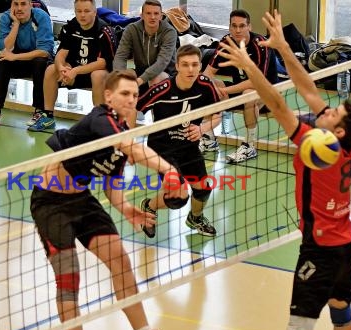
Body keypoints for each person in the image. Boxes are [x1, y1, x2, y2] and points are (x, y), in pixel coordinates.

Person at [218, 10, 351, 330]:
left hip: (319, 251)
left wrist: (248, 64)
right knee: (340, 310)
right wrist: (284, 48)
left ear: (337, 128)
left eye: (334, 112)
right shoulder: (338, 141)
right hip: (346, 244)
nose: (327, 109)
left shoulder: (318, 146)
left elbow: (279, 103)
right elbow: (306, 87)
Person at [30, 70, 186, 330]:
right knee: (68, 279)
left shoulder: (124, 134)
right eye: (125, 94)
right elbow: (131, 149)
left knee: (120, 261)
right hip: (50, 206)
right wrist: (169, 171)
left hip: (83, 201)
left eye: (134, 95)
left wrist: (126, 208)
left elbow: (112, 180)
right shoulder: (99, 119)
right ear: (109, 96)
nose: (131, 99)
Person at [136, 44, 222, 237]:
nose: (190, 69)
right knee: (178, 196)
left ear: (200, 66)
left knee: (204, 188)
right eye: (185, 65)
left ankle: (195, 218)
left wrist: (202, 128)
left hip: (188, 148)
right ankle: (149, 206)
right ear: (177, 66)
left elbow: (217, 115)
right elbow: (135, 107)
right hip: (161, 149)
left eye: (194, 65)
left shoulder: (206, 86)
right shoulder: (162, 90)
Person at [201, 9, 277, 162]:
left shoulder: (260, 45)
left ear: (249, 27)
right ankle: (208, 138)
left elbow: (256, 82)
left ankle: (249, 146)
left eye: (242, 26)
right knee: (208, 84)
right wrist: (203, 87)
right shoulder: (226, 42)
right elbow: (208, 73)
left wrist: (224, 90)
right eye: (234, 26)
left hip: (267, 93)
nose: (237, 30)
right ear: (229, 27)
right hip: (239, 89)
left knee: (249, 93)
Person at [28, 0, 117, 131]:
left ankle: (100, 121)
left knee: (98, 75)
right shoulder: (70, 27)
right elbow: (61, 54)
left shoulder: (104, 30)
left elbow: (103, 62)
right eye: (79, 11)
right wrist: (61, 68)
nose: (82, 15)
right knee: (51, 70)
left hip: (94, 72)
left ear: (95, 12)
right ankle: (48, 116)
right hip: (72, 72)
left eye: (87, 11)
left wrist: (76, 70)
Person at [0, 0, 55, 129]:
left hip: (36, 59)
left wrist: (15, 56)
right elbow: (5, 48)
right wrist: (16, 24)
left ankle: (39, 111)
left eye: (23, 4)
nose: (19, 8)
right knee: (1, 61)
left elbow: (45, 51)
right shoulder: (6, 17)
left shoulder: (41, 17)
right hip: (17, 60)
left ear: (30, 5)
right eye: (15, 4)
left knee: (41, 63)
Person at [112, 0, 177, 95]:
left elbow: (162, 62)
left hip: (165, 73)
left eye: (156, 13)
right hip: (140, 70)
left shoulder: (169, 32)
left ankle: (153, 109)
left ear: (161, 16)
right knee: (127, 74)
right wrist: (120, 77)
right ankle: (127, 108)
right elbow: (120, 57)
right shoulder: (131, 29)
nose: (152, 17)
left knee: (154, 78)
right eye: (148, 13)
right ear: (141, 16)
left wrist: (140, 80)